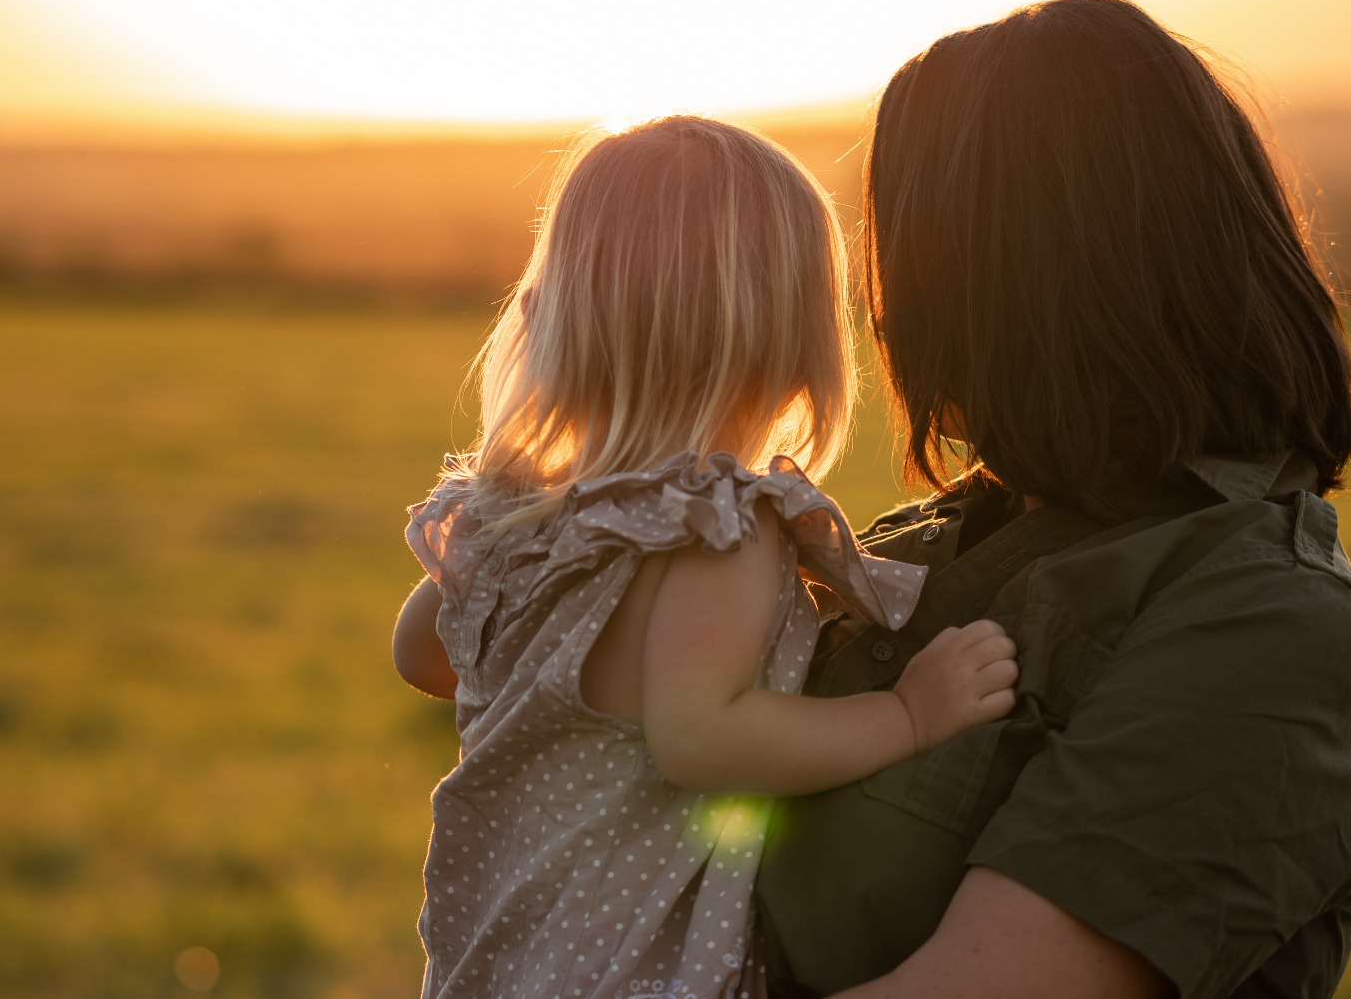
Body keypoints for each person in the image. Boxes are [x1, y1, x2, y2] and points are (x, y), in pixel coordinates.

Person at [753, 0, 1351, 999]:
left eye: (915, 246)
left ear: (1023, 283)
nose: (881, 312)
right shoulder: (919, 542)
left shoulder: (1268, 626)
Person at [391, 115, 1020, 999]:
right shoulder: (717, 527)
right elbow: (701, 736)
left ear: (555, 318)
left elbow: (421, 654)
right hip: (633, 976)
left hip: (489, 966)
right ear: (793, 338)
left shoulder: (518, 514)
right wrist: (908, 718)